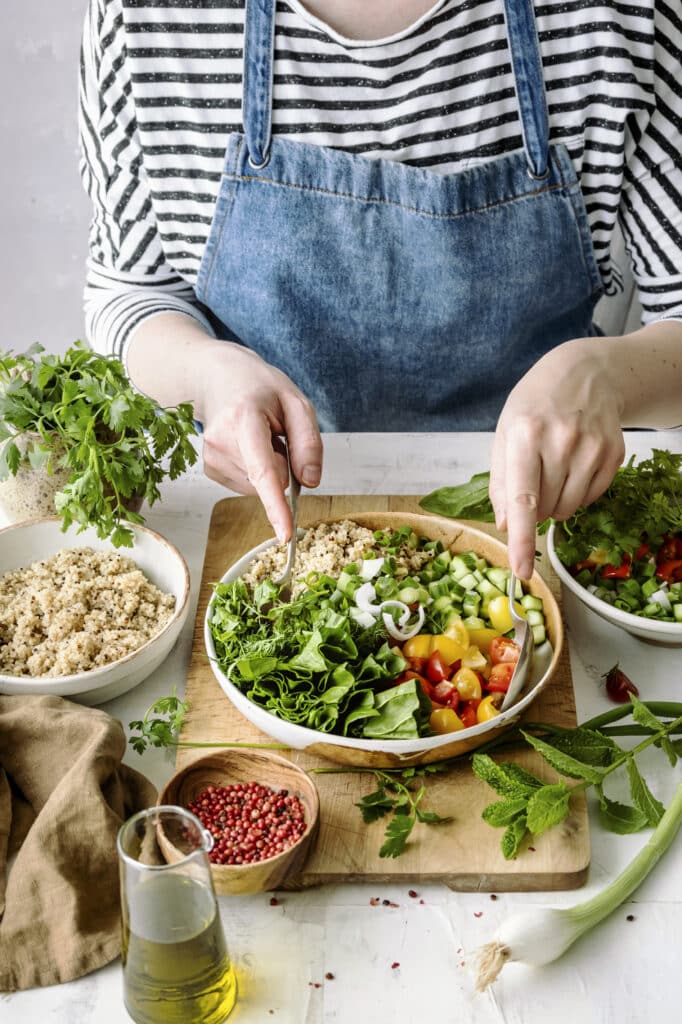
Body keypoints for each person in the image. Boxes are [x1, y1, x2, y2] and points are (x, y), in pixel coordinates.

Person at [79, 0, 682, 578]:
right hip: (256, 497)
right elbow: (129, 292)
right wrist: (206, 376)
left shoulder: (620, 14)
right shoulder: (143, 18)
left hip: (545, 500)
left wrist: (605, 376)